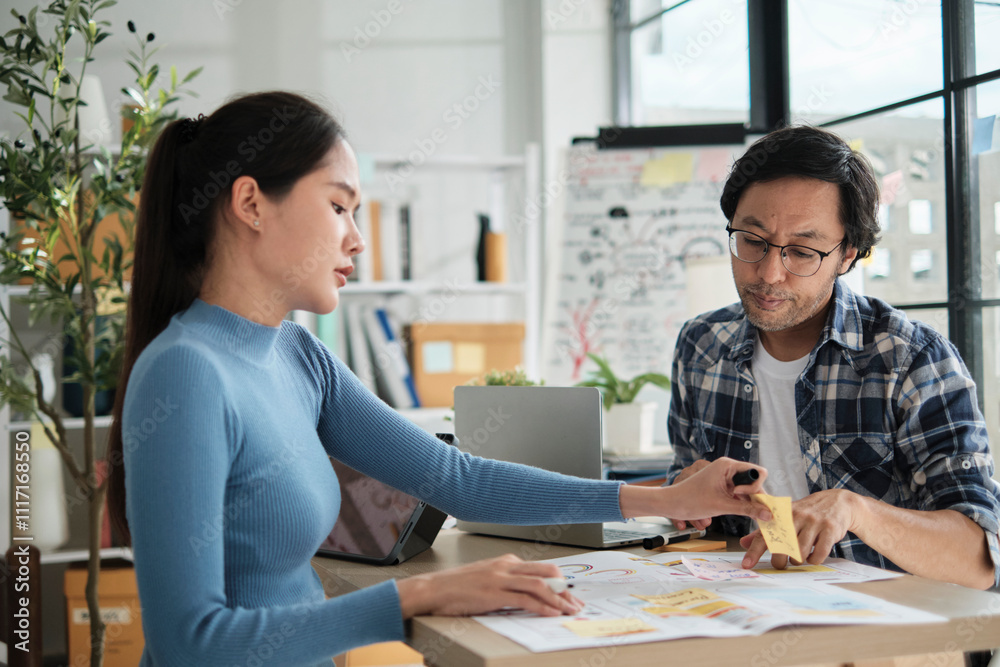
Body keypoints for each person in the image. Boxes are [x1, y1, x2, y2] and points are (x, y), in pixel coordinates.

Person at [104, 91, 770, 667]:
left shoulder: (296, 356)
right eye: (340, 207)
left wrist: (662, 498)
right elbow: (190, 643)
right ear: (250, 201)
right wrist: (416, 596)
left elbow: (459, 480)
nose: (357, 239)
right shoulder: (186, 374)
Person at [665, 124, 1000, 590]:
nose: (768, 273)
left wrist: (855, 511)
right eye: (751, 240)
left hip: (893, 633)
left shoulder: (910, 359)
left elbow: (980, 560)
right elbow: (685, 499)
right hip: (744, 608)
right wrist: (686, 498)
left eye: (802, 252)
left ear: (849, 254)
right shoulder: (701, 346)